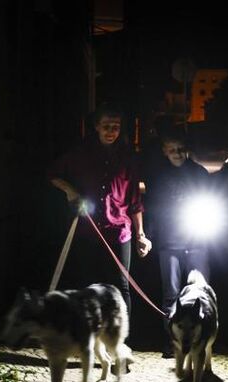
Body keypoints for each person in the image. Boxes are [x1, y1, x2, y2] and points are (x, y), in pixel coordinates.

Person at [47, 104, 152, 320]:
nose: (111, 131)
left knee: (121, 286)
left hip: (120, 231)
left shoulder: (128, 158)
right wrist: (70, 191)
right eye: (106, 126)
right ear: (96, 127)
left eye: (115, 127)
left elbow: (134, 201)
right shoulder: (80, 154)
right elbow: (53, 174)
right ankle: (91, 336)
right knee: (89, 284)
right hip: (89, 230)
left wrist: (141, 235)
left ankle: (121, 339)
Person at [144, 128, 212, 357]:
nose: (177, 153)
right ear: (164, 151)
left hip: (198, 239)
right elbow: (152, 205)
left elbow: (213, 198)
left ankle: (201, 337)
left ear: (187, 149)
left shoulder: (200, 173)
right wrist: (151, 232)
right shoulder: (159, 176)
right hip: (169, 242)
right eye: (172, 150)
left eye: (180, 149)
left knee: (200, 290)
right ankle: (172, 341)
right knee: (171, 294)